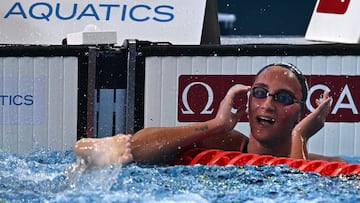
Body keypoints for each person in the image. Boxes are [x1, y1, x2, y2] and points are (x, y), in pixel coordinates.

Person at [74, 63, 346, 167]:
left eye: (284, 98)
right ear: (248, 102)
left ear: (301, 112)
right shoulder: (225, 143)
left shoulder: (329, 163)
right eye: (260, 93)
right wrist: (215, 125)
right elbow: (139, 148)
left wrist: (300, 137)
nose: (268, 104)